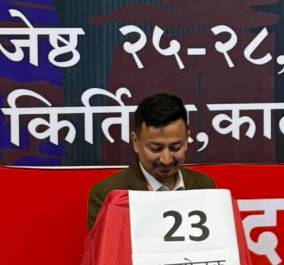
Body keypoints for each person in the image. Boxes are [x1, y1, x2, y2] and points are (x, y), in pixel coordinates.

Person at [86, 93, 215, 231]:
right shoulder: (108, 194)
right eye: (155, 149)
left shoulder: (204, 186)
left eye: (176, 147)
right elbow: (106, 244)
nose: (166, 160)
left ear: (187, 139)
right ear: (136, 142)